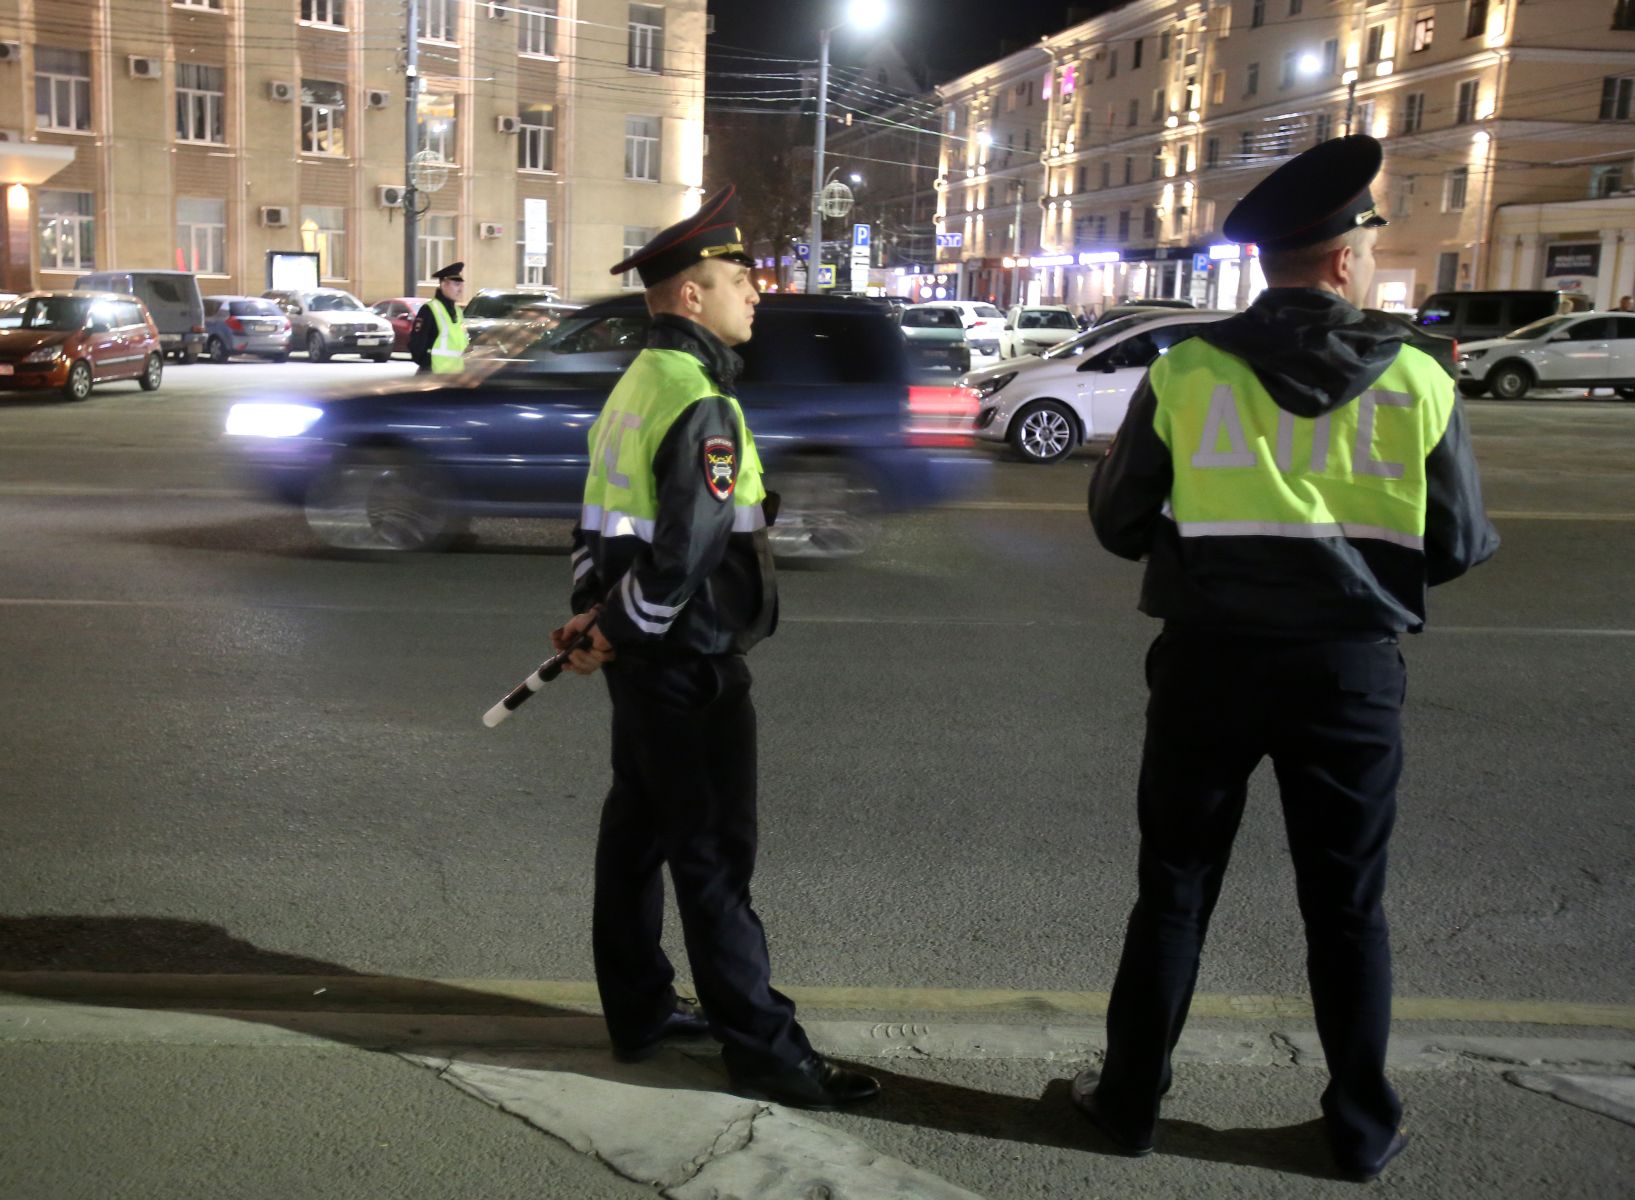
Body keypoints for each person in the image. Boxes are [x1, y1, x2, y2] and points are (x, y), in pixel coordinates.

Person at [1077, 136, 1499, 1183]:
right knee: (1347, 904)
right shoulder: (1417, 378)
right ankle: (1358, 1127)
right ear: (1347, 259)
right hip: (1349, 674)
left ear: (1266, 263)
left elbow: (1120, 523)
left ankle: (1129, 1103)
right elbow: (1454, 545)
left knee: (1173, 887)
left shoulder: (1187, 370)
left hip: (1210, 666)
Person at [548, 184, 880, 1111]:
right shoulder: (698, 402)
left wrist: (593, 620)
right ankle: (766, 1051)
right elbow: (685, 552)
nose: (757, 293)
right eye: (739, 278)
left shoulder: (634, 388)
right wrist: (615, 630)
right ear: (689, 296)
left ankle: (641, 1011)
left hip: (643, 657)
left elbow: (595, 524)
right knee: (712, 855)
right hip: (687, 662)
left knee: (637, 834)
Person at [408, 261, 467, 373]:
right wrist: (428, 366)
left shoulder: (458, 312)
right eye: (456, 284)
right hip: (434, 376)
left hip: (454, 376)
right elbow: (416, 345)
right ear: (444, 285)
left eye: (461, 285)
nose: (460, 289)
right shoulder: (429, 310)